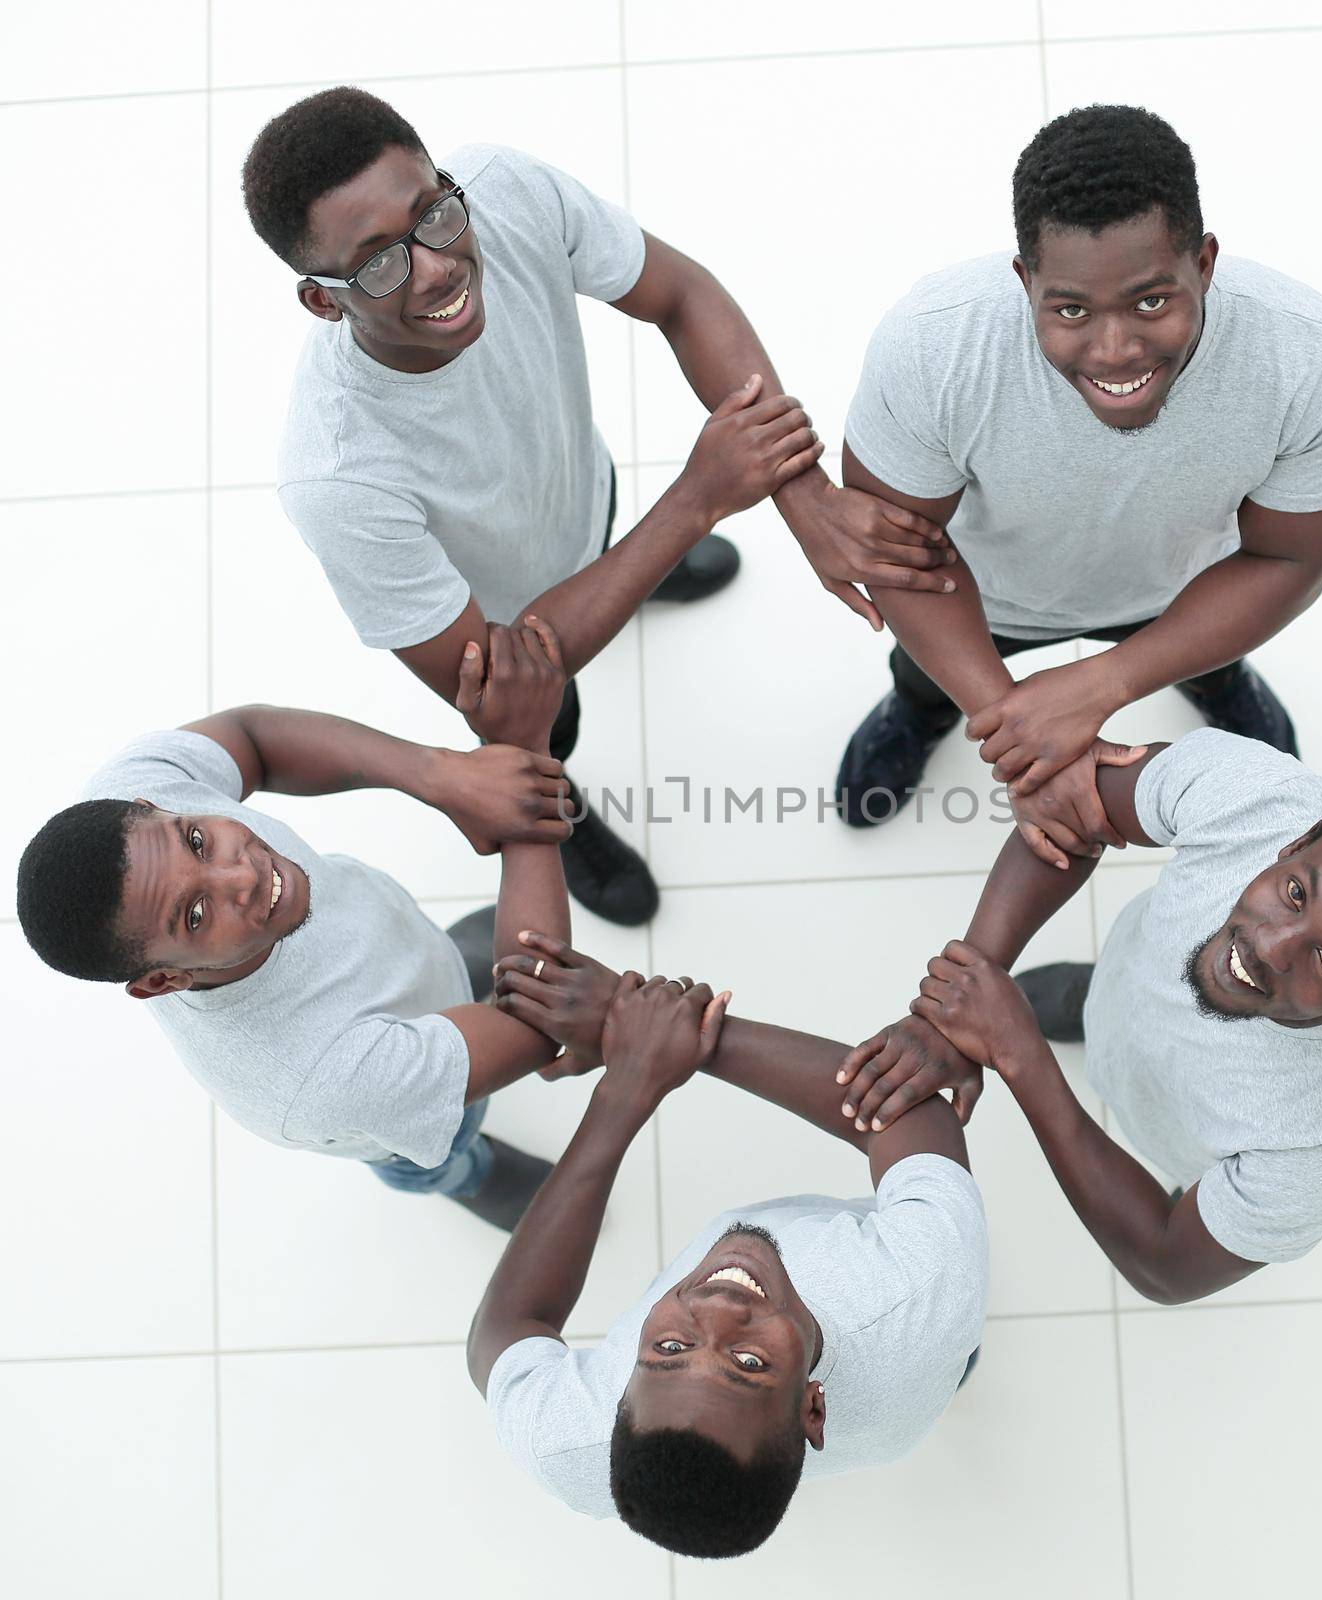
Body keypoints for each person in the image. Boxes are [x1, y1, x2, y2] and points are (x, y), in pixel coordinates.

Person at [243, 86, 957, 922]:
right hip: (511, 622)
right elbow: (501, 679)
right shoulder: (336, 478)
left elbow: (681, 295)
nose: (436, 266)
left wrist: (806, 501)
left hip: (584, 491)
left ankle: (634, 570)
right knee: (546, 731)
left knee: (610, 534)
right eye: (378, 262)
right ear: (324, 300)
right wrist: (696, 500)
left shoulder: (502, 189)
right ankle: (564, 808)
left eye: (433, 214)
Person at [835, 730, 1322, 1303]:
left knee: (1055, 1027)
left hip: (1174, 1137)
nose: (1269, 946)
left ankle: (1063, 1014)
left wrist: (1017, 1053)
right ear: (1294, 842)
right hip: (1128, 981)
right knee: (1100, 996)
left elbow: (1164, 1263)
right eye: (1295, 892)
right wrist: (965, 994)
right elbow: (1071, 809)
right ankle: (1085, 1000)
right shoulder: (1257, 797)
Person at [834, 103, 1322, 836]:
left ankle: (1214, 680)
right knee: (923, 681)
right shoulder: (933, 346)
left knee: (1210, 659)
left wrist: (1105, 683)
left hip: (1186, 589)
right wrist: (1012, 724)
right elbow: (892, 549)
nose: (1115, 351)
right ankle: (917, 713)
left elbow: (1290, 555)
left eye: (1150, 300)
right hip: (979, 598)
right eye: (1071, 310)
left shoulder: (1300, 352)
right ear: (1024, 280)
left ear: (1203, 265)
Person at [15, 621, 579, 1227]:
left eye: (200, 840)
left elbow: (252, 739)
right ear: (163, 981)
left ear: (158, 806)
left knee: (455, 959)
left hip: (402, 949)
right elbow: (536, 1025)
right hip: (392, 1102)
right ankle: (469, 1173)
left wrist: (440, 777)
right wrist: (525, 757)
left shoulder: (133, 802)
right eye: (196, 914)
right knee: (441, 1147)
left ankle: (451, 969)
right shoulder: (317, 1079)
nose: (243, 876)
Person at [467, 944, 987, 1558]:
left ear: (618, 1398)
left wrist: (629, 1083)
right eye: (748, 1363)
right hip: (914, 1356)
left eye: (669, 1348)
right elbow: (909, 1114)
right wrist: (680, 1039)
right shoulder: (918, 1285)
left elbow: (507, 1327)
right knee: (947, 1348)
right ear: (813, 1406)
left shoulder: (570, 1442)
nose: (715, 1307)